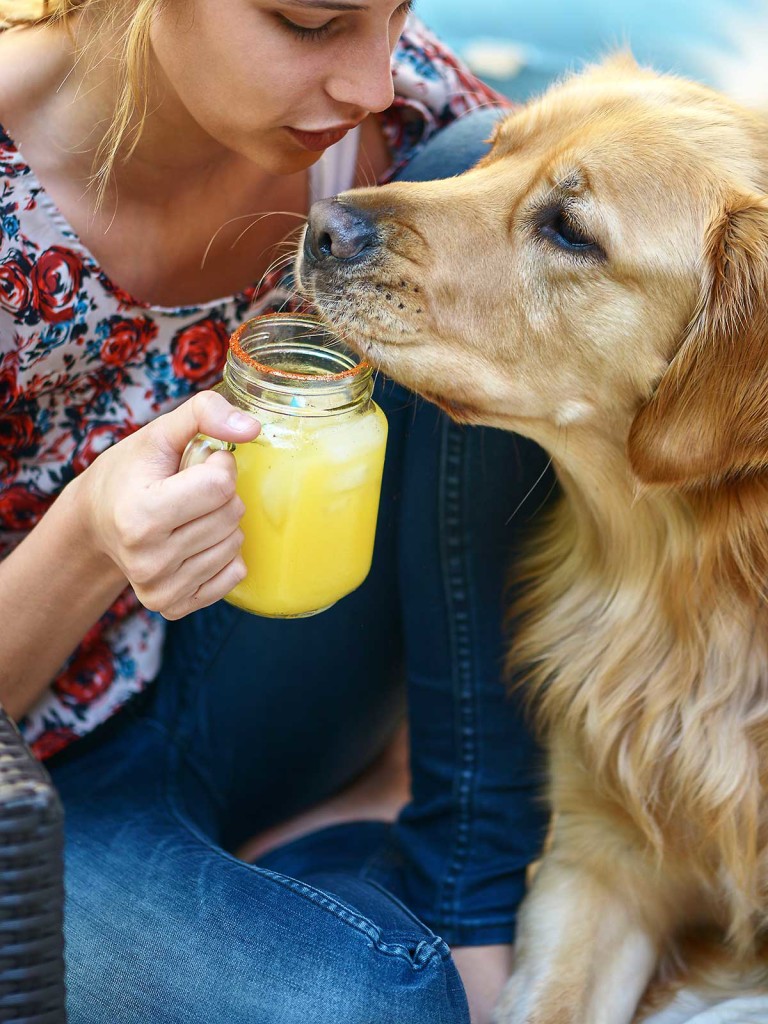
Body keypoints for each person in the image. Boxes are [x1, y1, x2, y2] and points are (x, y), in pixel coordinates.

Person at [0, 1, 553, 1021]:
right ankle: (335, 851)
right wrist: (86, 537)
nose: (372, 82)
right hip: (44, 785)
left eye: (396, 15)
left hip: (267, 658)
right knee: (377, 1004)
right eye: (311, 23)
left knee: (493, 200)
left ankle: (467, 876)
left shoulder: (389, 122)